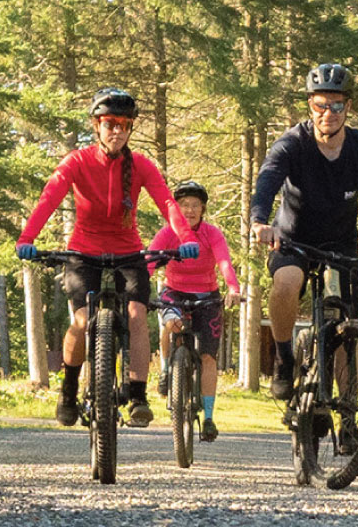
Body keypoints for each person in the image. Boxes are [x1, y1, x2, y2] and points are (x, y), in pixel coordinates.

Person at [16, 87, 200, 428]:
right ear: (96, 125)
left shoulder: (142, 165)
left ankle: (138, 396)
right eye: (109, 123)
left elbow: (168, 205)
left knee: (136, 314)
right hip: (83, 251)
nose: (117, 130)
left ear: (130, 129)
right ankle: (69, 390)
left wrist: (186, 237)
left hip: (128, 251)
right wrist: (27, 238)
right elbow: (48, 198)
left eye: (124, 124)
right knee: (83, 321)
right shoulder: (77, 161)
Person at [250, 63, 358, 404]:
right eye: (320, 105)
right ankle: (284, 359)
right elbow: (267, 179)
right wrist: (259, 221)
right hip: (292, 239)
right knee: (286, 283)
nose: (328, 113)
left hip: (340, 244)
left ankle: (348, 407)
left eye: (336, 105)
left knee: (345, 326)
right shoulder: (292, 144)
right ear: (309, 106)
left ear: (348, 108)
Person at [148, 180, 241, 442]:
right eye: (184, 205)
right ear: (176, 209)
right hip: (174, 292)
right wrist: (140, 287)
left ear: (203, 209)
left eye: (195, 206)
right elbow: (151, 261)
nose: (189, 210)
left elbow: (224, 261)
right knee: (171, 324)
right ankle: (167, 370)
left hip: (206, 295)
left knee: (208, 357)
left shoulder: (212, 233)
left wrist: (232, 288)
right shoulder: (168, 232)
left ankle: (209, 418)